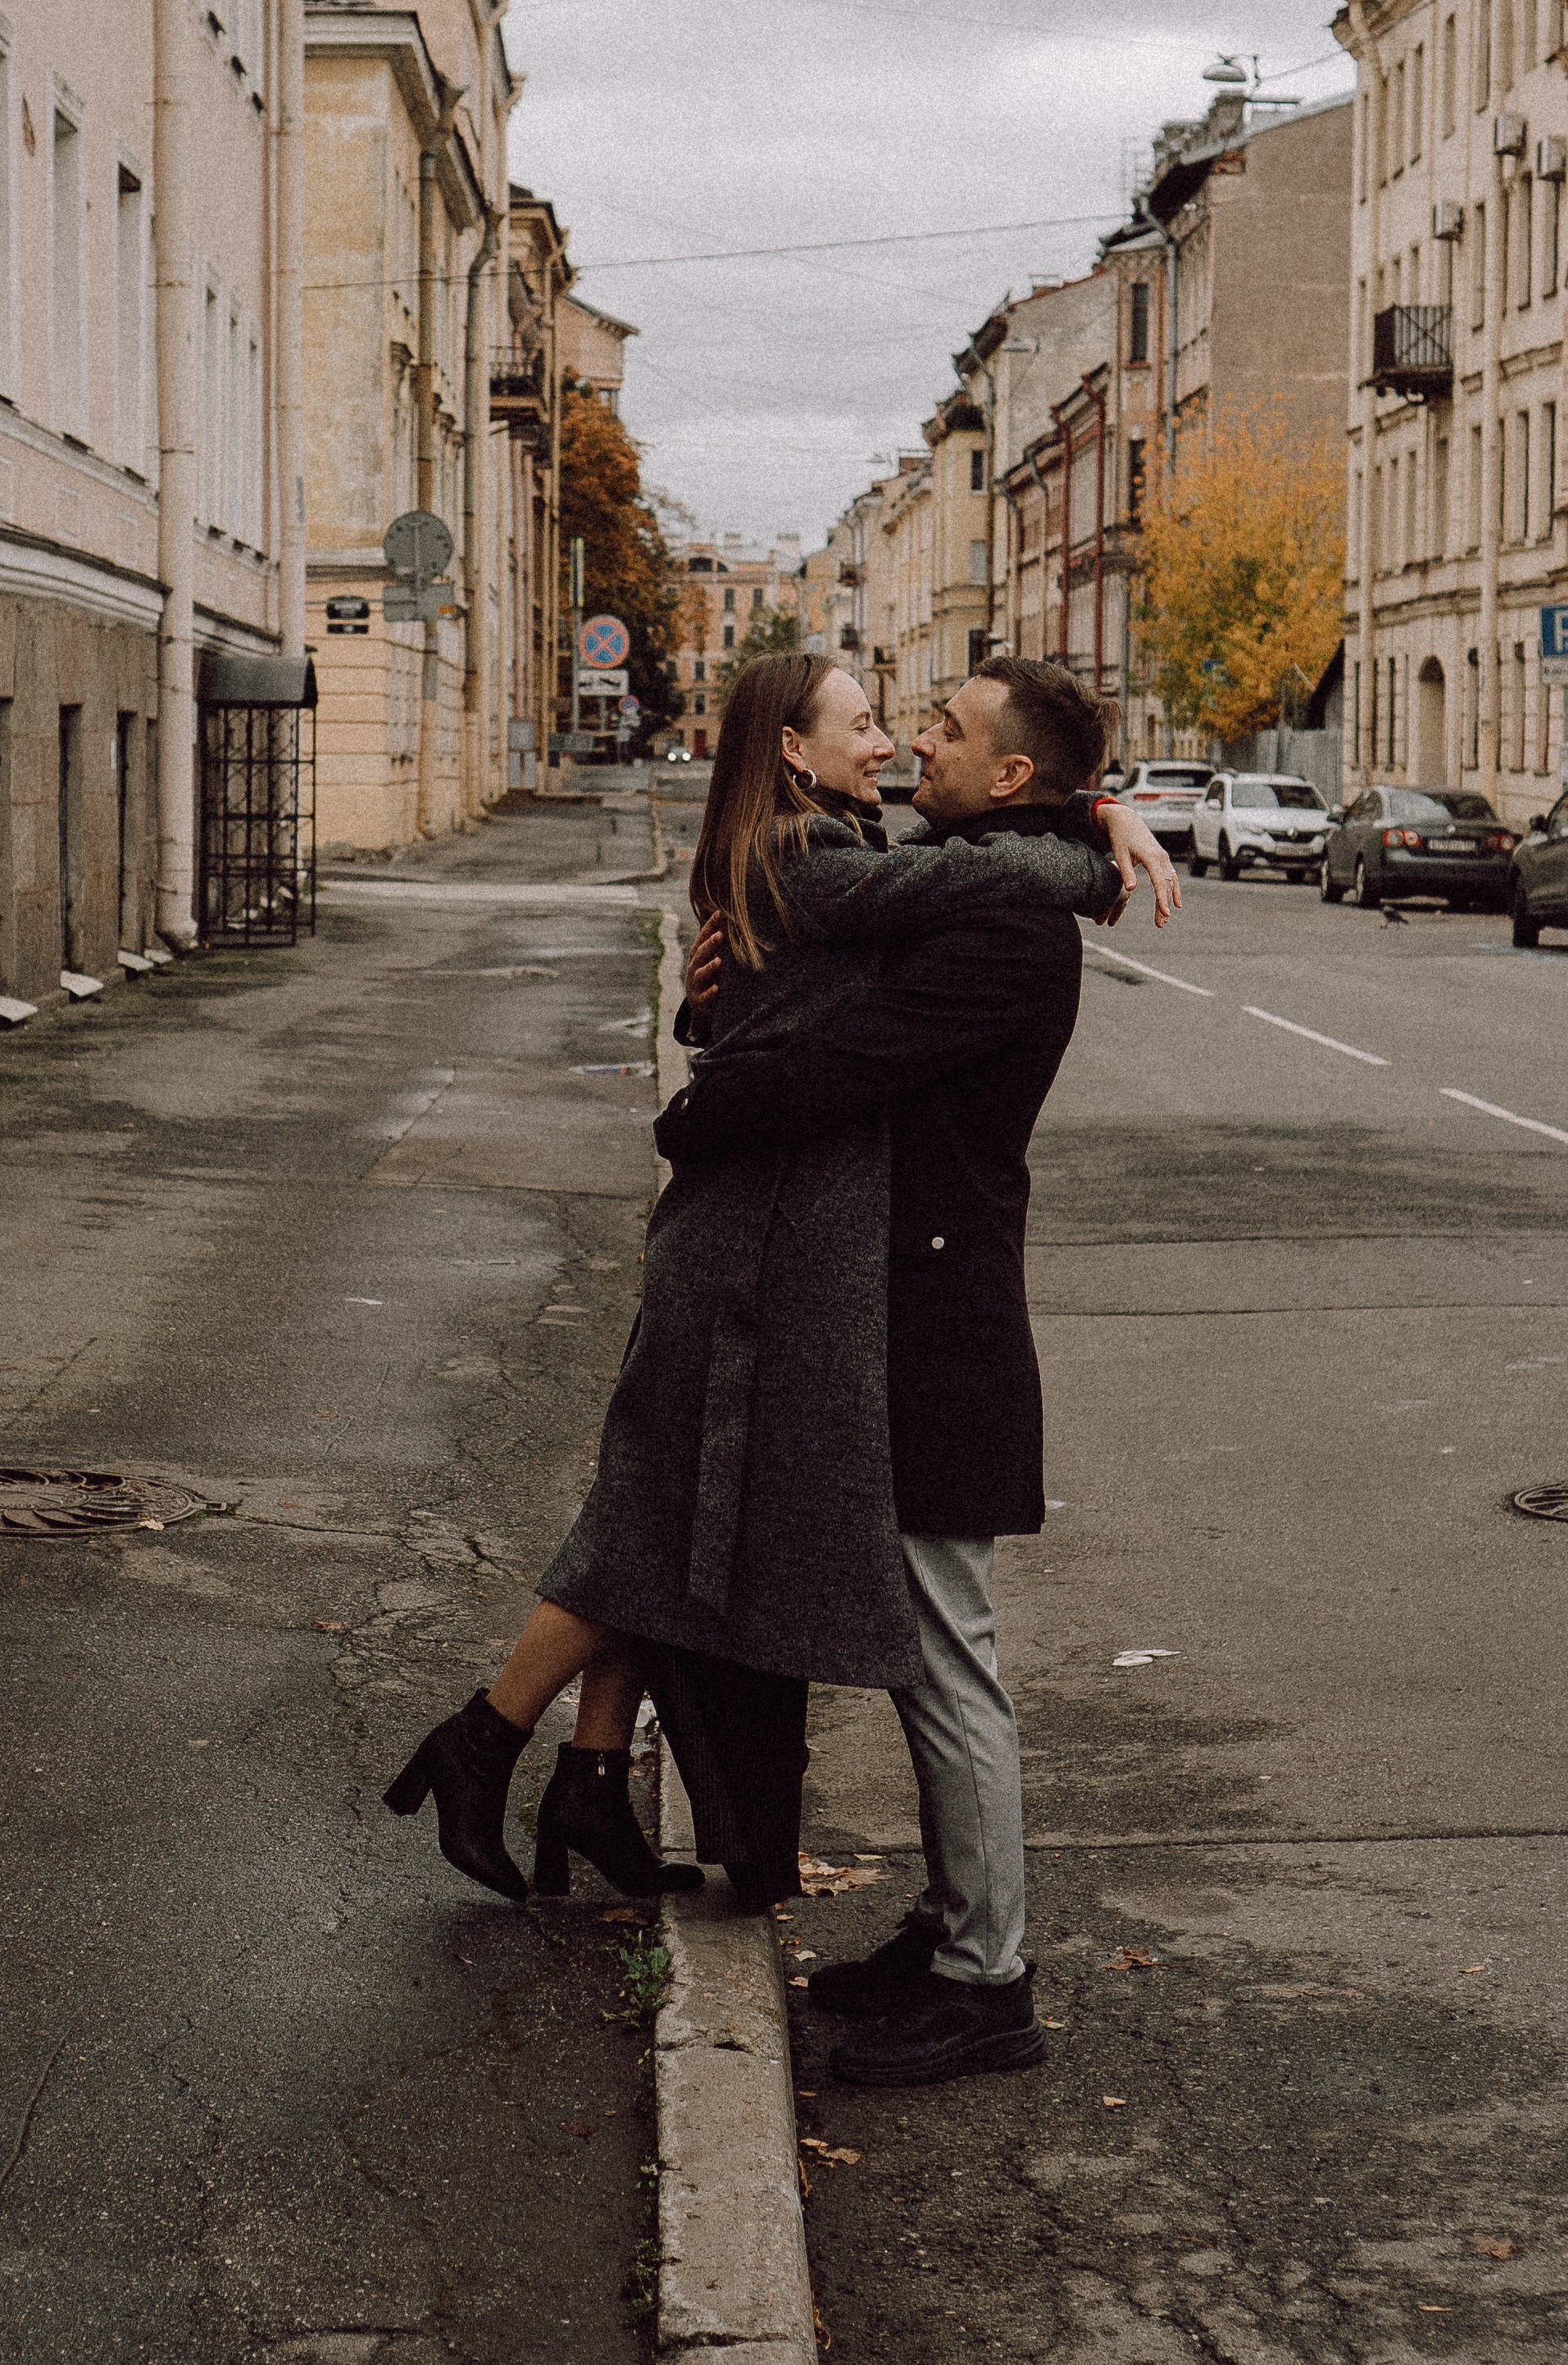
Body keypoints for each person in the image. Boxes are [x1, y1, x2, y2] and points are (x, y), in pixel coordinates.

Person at [383, 656, 1177, 1915]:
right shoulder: (813, 854)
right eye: (869, 723)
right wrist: (1092, 837)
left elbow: (785, 1003)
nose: (899, 741)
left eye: (916, 725)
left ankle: (585, 1773)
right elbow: (956, 889)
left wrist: (1091, 806)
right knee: (652, 1517)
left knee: (676, 1516)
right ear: (793, 752)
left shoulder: (831, 843)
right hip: (742, 1237)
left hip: (768, 1233)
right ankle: (483, 1735)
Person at [654, 655, 1138, 2087]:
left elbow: (831, 1063)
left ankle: (987, 1979)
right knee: (924, 1641)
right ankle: (949, 1930)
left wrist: (700, 1109)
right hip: (898, 1303)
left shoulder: (1005, 935)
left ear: (1005, 781)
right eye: (906, 720)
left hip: (939, 1324)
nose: (917, 738)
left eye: (946, 730)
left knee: (944, 1651)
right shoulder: (969, 873)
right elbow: (807, 972)